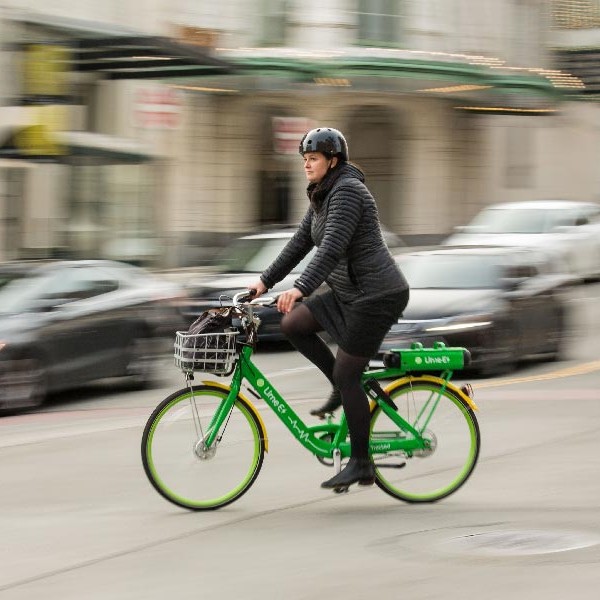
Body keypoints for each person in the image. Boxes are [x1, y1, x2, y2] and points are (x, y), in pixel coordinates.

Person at [249, 127, 409, 490]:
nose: (306, 166)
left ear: (332, 161)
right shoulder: (322, 195)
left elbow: (332, 247)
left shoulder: (349, 192)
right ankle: (339, 385)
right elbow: (300, 243)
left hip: (377, 295)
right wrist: (264, 281)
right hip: (350, 291)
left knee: (349, 372)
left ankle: (362, 463)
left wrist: (301, 288)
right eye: (304, 160)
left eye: (313, 159)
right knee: (293, 324)